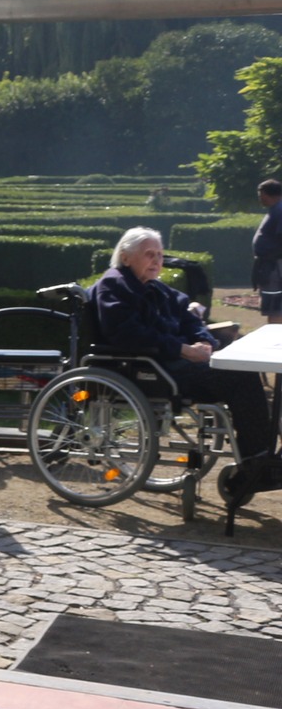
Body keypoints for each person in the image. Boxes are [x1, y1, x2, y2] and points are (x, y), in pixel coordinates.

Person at [95, 226, 277, 504]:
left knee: (245, 373)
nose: (156, 260)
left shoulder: (156, 287)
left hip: (174, 363)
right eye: (149, 254)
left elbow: (190, 319)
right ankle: (256, 462)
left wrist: (204, 341)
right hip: (152, 369)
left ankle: (259, 458)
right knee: (239, 377)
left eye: (160, 255)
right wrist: (182, 349)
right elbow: (128, 335)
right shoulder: (114, 285)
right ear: (126, 257)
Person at [253, 179, 282, 325]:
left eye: (261, 195)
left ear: (267, 194)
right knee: (274, 306)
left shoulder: (280, 210)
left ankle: (275, 335)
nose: (260, 198)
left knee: (275, 307)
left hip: (275, 268)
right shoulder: (275, 209)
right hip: (271, 266)